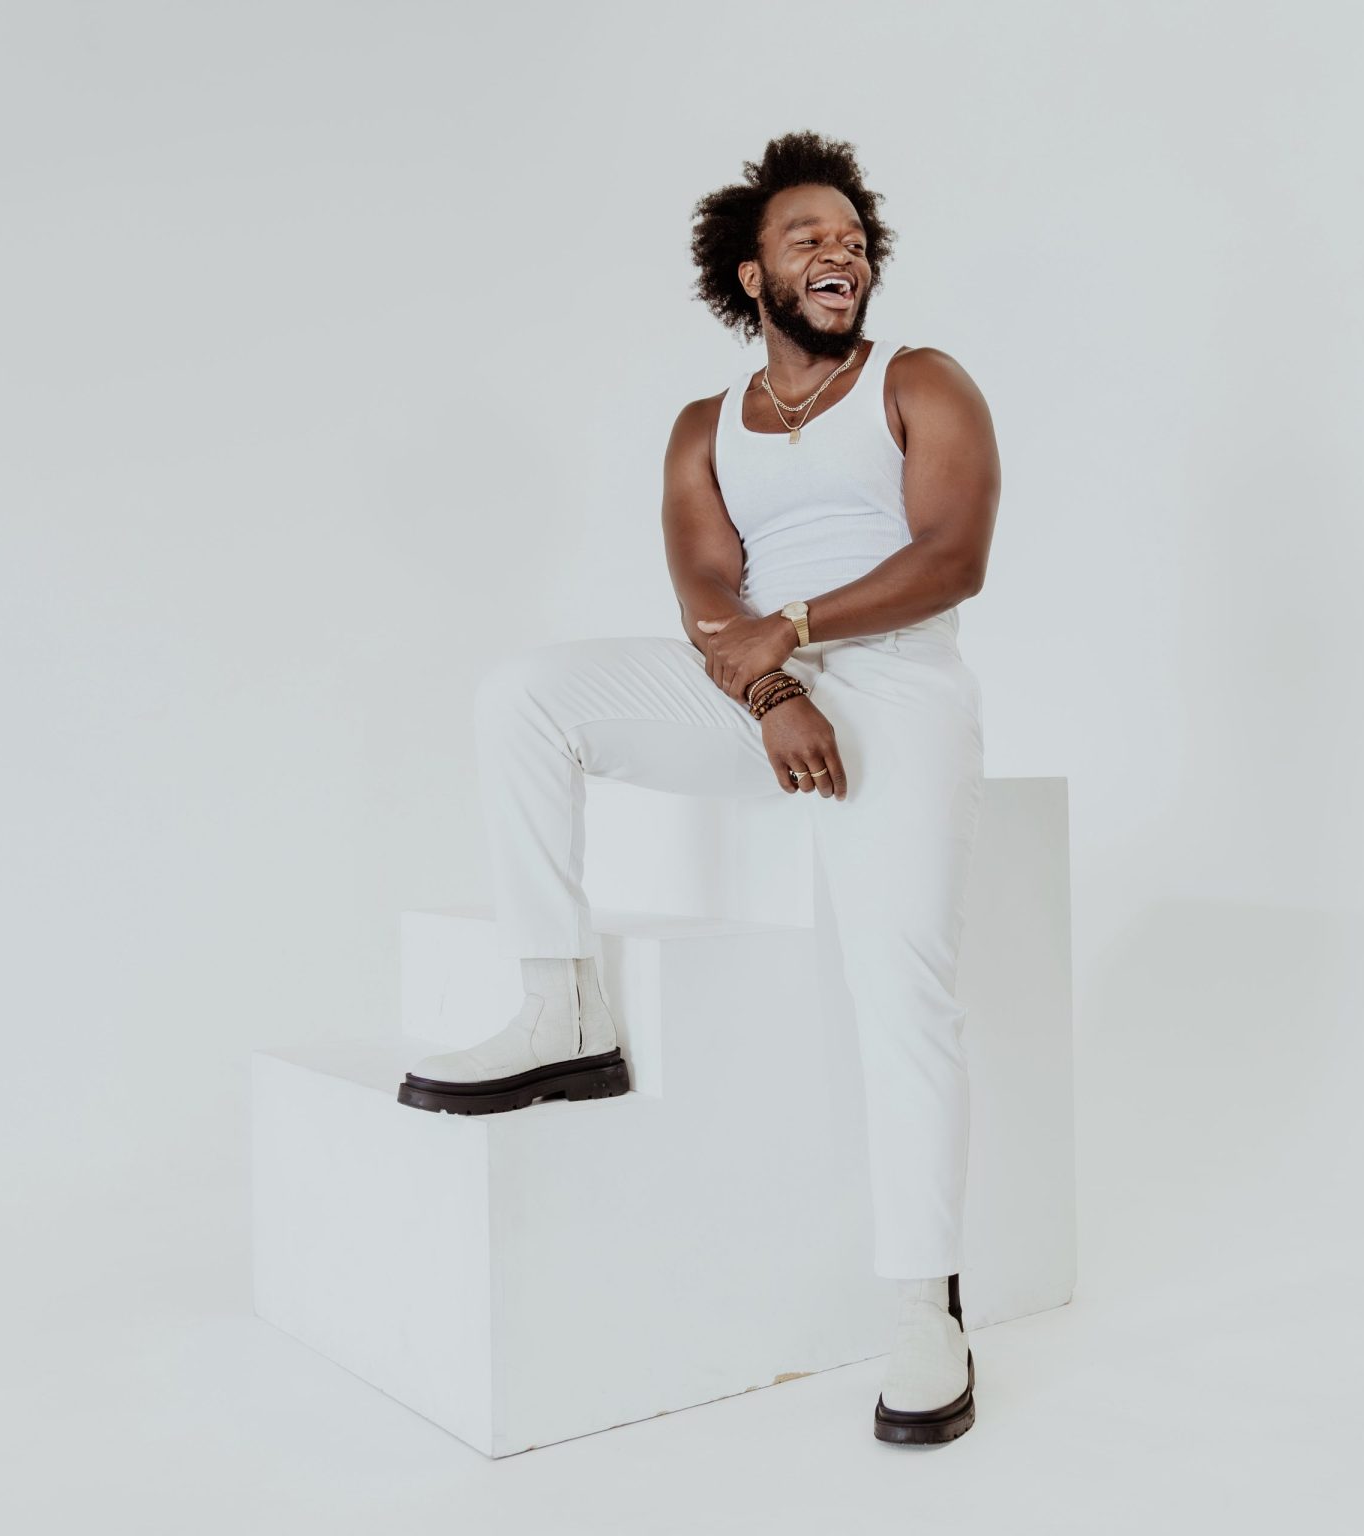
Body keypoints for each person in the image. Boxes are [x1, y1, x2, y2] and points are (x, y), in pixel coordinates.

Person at [397, 130, 1000, 1446]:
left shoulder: (920, 380)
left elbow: (953, 557)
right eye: (808, 236)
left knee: (902, 990)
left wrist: (795, 632)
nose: (839, 252)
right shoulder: (704, 428)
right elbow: (705, 596)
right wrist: (774, 689)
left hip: (899, 688)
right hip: (761, 691)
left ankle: (924, 1309)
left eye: (853, 238)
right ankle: (561, 1009)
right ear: (750, 272)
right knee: (524, 697)